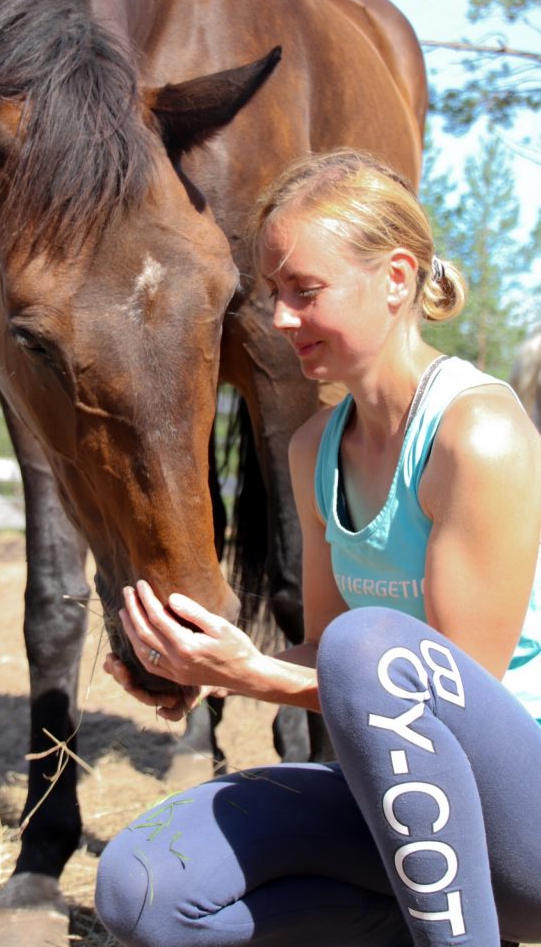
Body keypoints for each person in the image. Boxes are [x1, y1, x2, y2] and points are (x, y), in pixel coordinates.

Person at [94, 149, 541, 947]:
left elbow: (441, 686)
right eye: (273, 295)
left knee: (367, 647)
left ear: (396, 279)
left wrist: (253, 674)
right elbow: (327, 656)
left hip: (523, 820)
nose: (280, 320)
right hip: (412, 810)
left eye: (304, 291)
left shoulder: (478, 433)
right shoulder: (316, 449)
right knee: (144, 888)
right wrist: (203, 665)